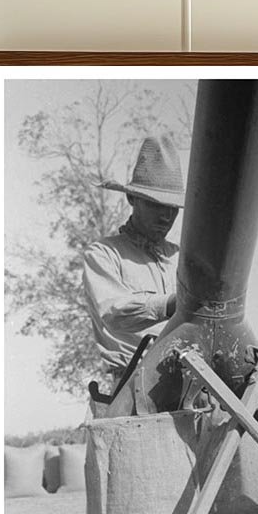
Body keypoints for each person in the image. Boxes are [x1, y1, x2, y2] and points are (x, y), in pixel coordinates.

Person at [82, 135, 184, 382]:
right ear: (132, 199)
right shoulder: (104, 254)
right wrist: (171, 304)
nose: (166, 216)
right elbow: (114, 313)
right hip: (130, 384)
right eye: (155, 205)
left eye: (172, 208)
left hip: (187, 380)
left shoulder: (181, 257)